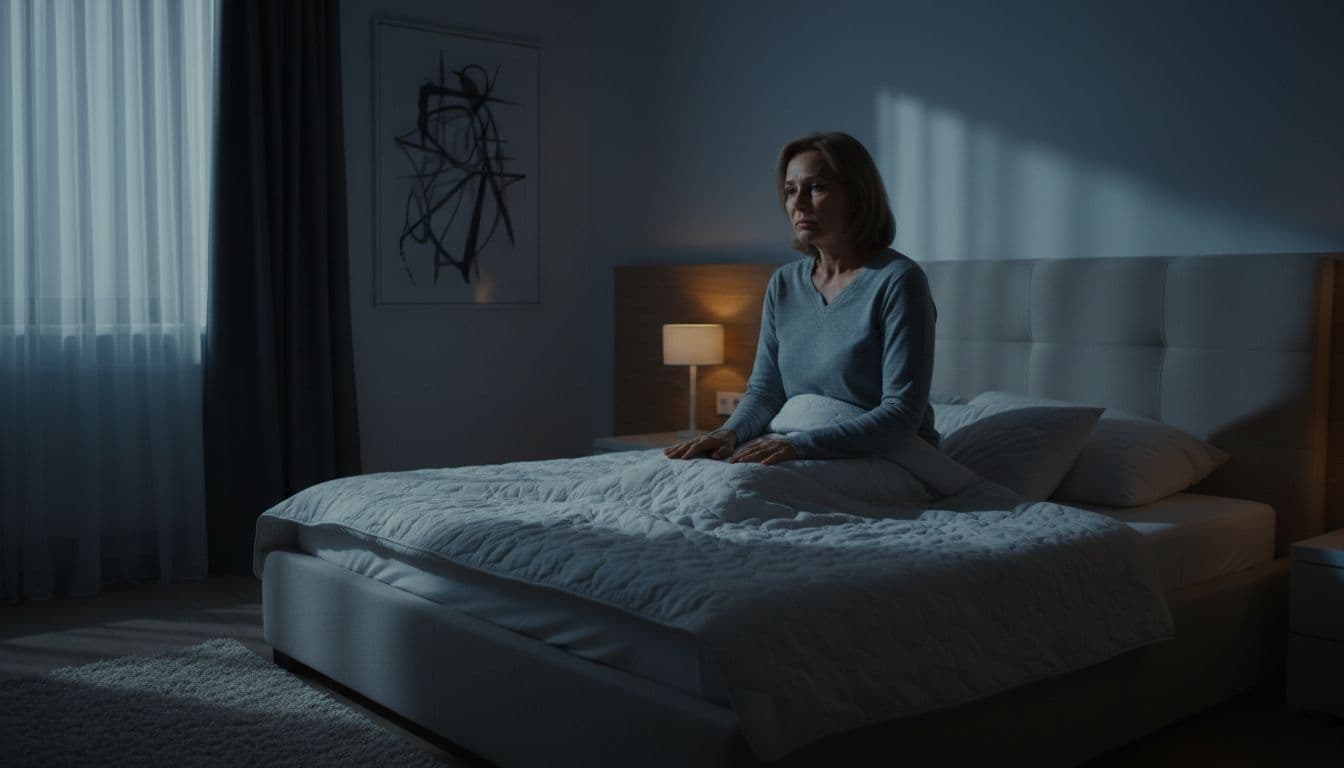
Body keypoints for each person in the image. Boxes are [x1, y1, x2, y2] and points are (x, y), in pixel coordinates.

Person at [664, 131, 938, 465]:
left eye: (816, 187)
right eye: (791, 191)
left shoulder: (898, 281)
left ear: (858, 196)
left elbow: (901, 414)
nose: (798, 203)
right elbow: (765, 392)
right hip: (798, 441)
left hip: (883, 454)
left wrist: (801, 446)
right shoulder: (784, 283)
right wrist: (729, 433)